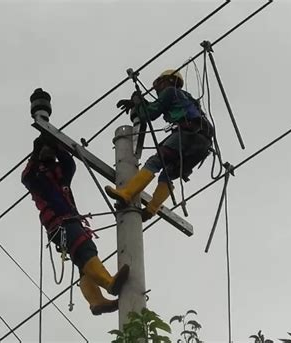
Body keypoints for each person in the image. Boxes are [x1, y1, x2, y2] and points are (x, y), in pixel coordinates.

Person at [21, 135, 129, 315]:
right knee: (85, 249)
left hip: (68, 221)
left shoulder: (59, 173)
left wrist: (56, 146)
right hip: (59, 223)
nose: (47, 152)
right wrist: (36, 152)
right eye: (44, 150)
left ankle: (96, 301)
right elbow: (26, 177)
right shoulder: (37, 177)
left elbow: (69, 165)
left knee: (83, 262)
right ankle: (109, 283)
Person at [106, 69, 214, 221]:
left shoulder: (170, 92)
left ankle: (127, 193)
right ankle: (150, 210)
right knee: (168, 172)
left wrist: (138, 102)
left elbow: (149, 114)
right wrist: (140, 104)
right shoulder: (185, 98)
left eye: (158, 83)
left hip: (188, 134)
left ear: (169, 81)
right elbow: (156, 106)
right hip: (203, 143)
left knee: (156, 161)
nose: (157, 88)